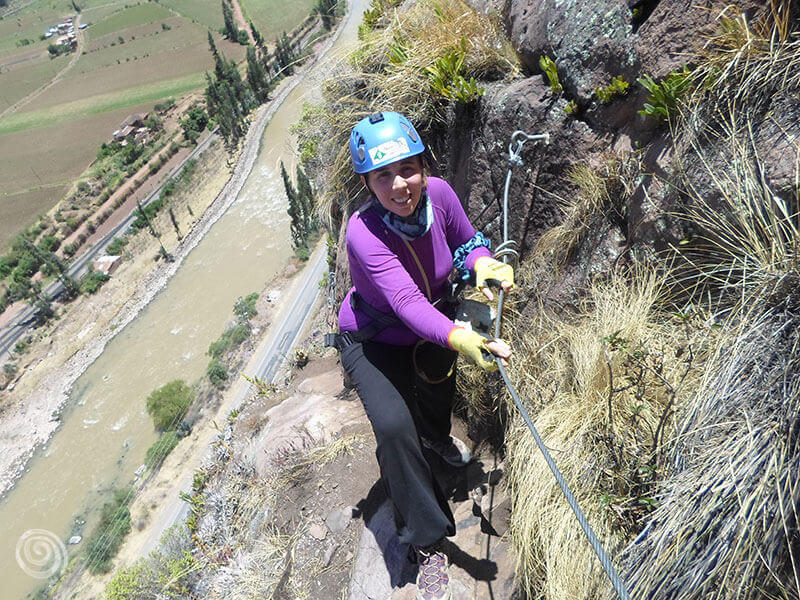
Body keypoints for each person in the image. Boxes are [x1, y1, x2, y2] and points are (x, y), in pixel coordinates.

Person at [328, 111, 513, 600]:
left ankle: (434, 439)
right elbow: (406, 304)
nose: (399, 185)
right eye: (383, 175)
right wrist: (458, 335)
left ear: (422, 166)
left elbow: (466, 242)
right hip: (372, 339)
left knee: (437, 381)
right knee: (393, 428)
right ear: (367, 182)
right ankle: (428, 542)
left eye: (407, 169)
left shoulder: (441, 197)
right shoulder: (363, 234)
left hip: (428, 325)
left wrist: (484, 265)